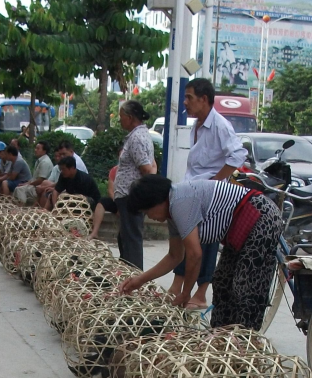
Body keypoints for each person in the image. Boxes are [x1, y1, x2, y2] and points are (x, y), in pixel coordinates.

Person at [120, 174, 281, 329]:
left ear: (156, 201)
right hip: (238, 229)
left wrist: (186, 292)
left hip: (260, 216)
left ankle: (244, 339)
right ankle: (220, 336)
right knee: (222, 282)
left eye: (147, 211)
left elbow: (194, 254)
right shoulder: (172, 213)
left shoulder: (179, 202)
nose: (149, 216)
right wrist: (140, 280)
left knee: (245, 285)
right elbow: (175, 256)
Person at [171, 77, 247, 308]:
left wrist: (215, 181)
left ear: (204, 99)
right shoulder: (197, 125)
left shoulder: (220, 125)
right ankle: (179, 283)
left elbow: (237, 155)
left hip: (210, 194)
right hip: (191, 189)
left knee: (207, 241)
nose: (185, 103)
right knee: (186, 239)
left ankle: (201, 293)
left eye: (189, 98)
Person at [112, 100, 156, 269]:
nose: (120, 120)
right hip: (127, 195)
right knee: (125, 238)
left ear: (130, 118)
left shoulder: (137, 138)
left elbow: (147, 168)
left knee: (131, 239)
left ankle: (134, 276)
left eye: (121, 117)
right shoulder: (140, 135)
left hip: (131, 196)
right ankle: (126, 273)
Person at [13, 140, 54, 205]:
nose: (35, 150)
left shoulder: (45, 162)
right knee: (19, 187)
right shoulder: (40, 160)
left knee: (19, 189)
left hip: (39, 188)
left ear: (44, 151)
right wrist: (26, 183)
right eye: (35, 148)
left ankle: (21, 207)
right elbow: (35, 178)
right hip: (35, 186)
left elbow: (40, 180)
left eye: (38, 149)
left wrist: (28, 184)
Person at [89, 162, 119, 239]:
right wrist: (119, 203)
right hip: (117, 200)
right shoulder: (114, 170)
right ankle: (94, 232)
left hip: (130, 201)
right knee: (102, 202)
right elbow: (110, 191)